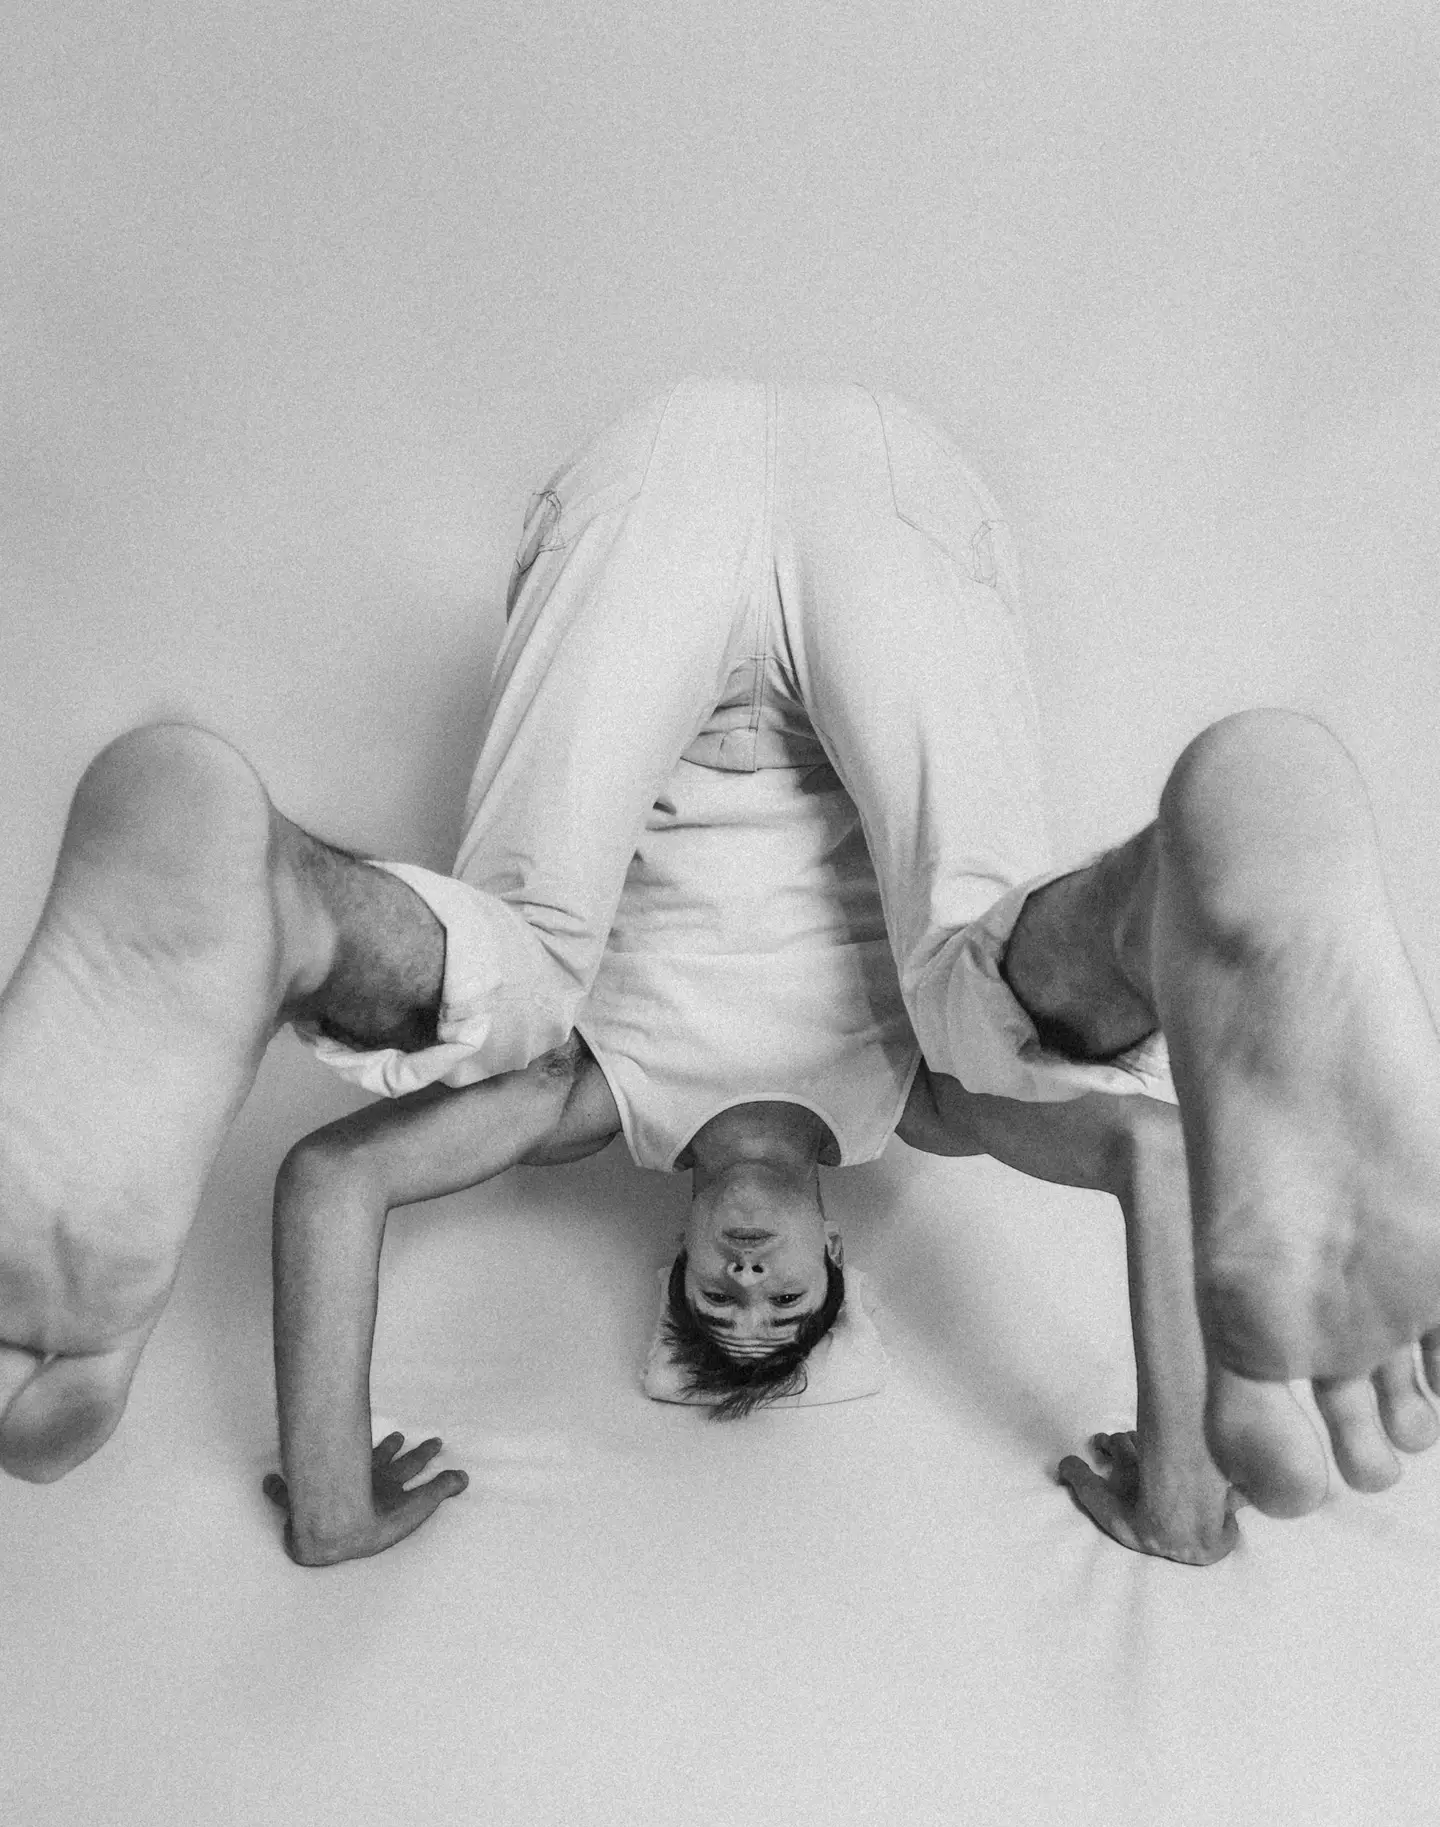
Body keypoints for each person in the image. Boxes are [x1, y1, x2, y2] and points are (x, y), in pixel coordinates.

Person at [4, 382, 1439, 1564]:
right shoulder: (917, 1109)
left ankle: (268, 900)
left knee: (529, 983)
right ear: (835, 1257)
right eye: (785, 1306)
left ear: (676, 1254)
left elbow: (331, 1180)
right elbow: (1161, 1159)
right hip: (892, 506)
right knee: (978, 1003)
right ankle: (1177, 903)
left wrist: (331, 1503)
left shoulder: (598, 1107)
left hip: (656, 500)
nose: (749, 1288)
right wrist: (1182, 1491)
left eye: (716, 1301)